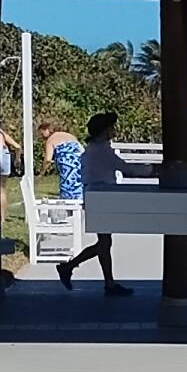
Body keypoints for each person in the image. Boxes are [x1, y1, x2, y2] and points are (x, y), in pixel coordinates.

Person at [55, 110, 132, 294]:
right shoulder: (101, 151)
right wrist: (152, 170)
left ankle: (109, 282)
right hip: (101, 198)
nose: (114, 130)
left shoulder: (95, 149)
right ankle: (70, 267)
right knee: (104, 242)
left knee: (105, 242)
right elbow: (124, 167)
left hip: (96, 196)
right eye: (111, 127)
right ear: (104, 131)